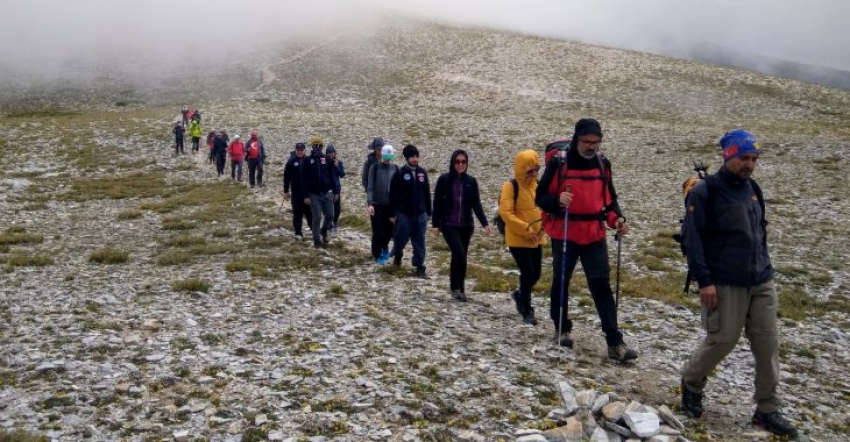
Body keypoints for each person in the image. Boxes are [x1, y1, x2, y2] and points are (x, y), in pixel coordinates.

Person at [679, 129, 798, 438]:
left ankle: (768, 408)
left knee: (767, 344)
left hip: (761, 279)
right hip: (724, 281)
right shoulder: (706, 191)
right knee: (723, 339)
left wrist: (765, 267)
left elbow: (760, 231)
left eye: (754, 159)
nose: (750, 164)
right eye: (744, 158)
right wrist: (705, 280)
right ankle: (691, 382)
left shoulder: (752, 188)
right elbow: (693, 240)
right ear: (728, 155)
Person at [535, 118, 637, 362]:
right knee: (561, 281)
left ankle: (615, 341)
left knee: (601, 285)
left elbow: (609, 200)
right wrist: (558, 201)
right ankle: (562, 328)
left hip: (593, 233)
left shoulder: (603, 165)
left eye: (596, 142)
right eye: (587, 142)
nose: (592, 147)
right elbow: (540, 198)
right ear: (576, 139)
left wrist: (617, 220)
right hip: (565, 231)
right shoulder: (559, 163)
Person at [431, 149, 492, 301]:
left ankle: (460, 288)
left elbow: (476, 204)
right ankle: (455, 287)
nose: (460, 164)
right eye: (457, 161)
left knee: (462, 256)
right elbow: (437, 202)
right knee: (458, 253)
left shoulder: (471, 181)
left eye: (463, 162)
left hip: (466, 225)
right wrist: (436, 224)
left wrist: (484, 223)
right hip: (448, 224)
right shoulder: (444, 180)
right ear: (453, 163)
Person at [499, 149, 545, 325]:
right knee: (527, 273)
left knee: (536, 274)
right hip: (518, 238)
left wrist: (541, 231)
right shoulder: (510, 186)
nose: (533, 174)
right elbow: (506, 213)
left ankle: (519, 295)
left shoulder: (537, 185)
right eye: (529, 170)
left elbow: (544, 211)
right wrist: (527, 230)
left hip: (536, 238)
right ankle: (526, 309)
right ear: (520, 169)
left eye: (536, 169)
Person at [389, 144, 431, 277]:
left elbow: (427, 193)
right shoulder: (400, 173)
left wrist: (429, 211)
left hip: (420, 214)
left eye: (416, 156)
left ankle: (419, 266)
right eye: (412, 156)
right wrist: (392, 213)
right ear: (406, 158)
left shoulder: (422, 173)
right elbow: (393, 195)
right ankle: (398, 254)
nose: (415, 159)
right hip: (403, 214)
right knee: (400, 238)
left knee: (419, 241)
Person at [367, 145, 398, 264]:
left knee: (389, 229)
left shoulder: (395, 168)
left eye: (389, 157)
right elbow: (370, 187)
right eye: (386, 156)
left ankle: (384, 247)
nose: (387, 159)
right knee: (377, 230)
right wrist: (370, 203)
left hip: (390, 205)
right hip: (376, 204)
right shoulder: (374, 168)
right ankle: (377, 254)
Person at [303, 136, 336, 248]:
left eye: (319, 146)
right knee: (317, 217)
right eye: (315, 145)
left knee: (330, 215)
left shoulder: (326, 159)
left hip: (327, 192)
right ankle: (316, 239)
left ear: (322, 147)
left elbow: (333, 176)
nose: (317, 148)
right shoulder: (307, 160)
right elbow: (304, 179)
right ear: (312, 147)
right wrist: (306, 195)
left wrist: (335, 191)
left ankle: (323, 230)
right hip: (313, 194)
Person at [283, 142, 313, 239]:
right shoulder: (291, 161)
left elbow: (314, 176)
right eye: (298, 150)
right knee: (297, 213)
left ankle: (315, 231)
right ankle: (298, 233)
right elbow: (286, 177)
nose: (300, 152)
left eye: (301, 150)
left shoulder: (309, 161)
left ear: (305, 150)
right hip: (296, 192)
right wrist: (286, 191)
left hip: (308, 193)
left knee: (310, 213)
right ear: (295, 150)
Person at [325, 144, 346, 233]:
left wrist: (337, 166)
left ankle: (335, 222)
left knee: (337, 209)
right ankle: (329, 224)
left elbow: (342, 174)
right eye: (329, 153)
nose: (330, 155)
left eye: (332, 153)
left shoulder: (338, 162)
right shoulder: (324, 163)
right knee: (329, 209)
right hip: (327, 189)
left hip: (336, 189)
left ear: (335, 153)